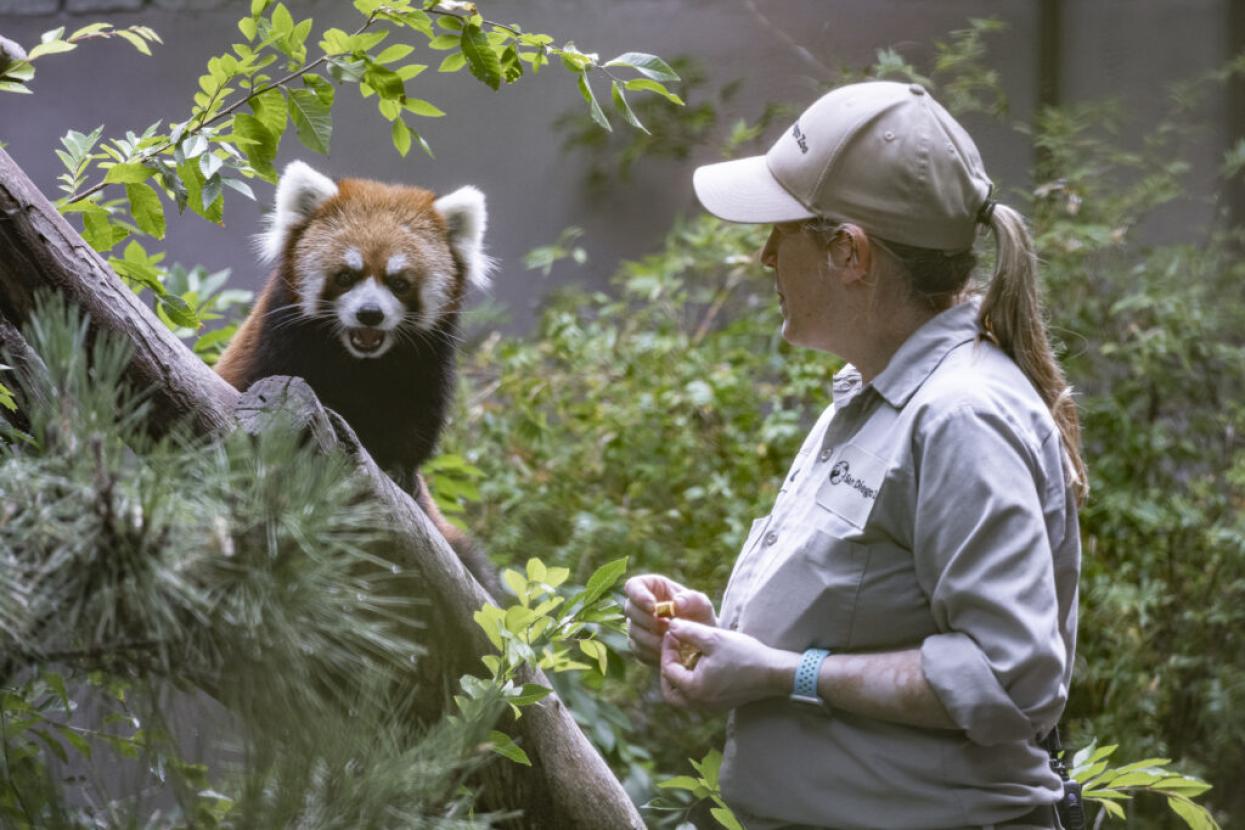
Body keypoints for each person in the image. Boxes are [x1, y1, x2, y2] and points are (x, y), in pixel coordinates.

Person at [623, 81, 1084, 830]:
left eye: (782, 232)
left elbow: (1006, 681)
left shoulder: (960, 415)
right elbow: (865, 610)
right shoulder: (878, 392)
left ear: (848, 253)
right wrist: (720, 635)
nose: (763, 255)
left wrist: (778, 671)